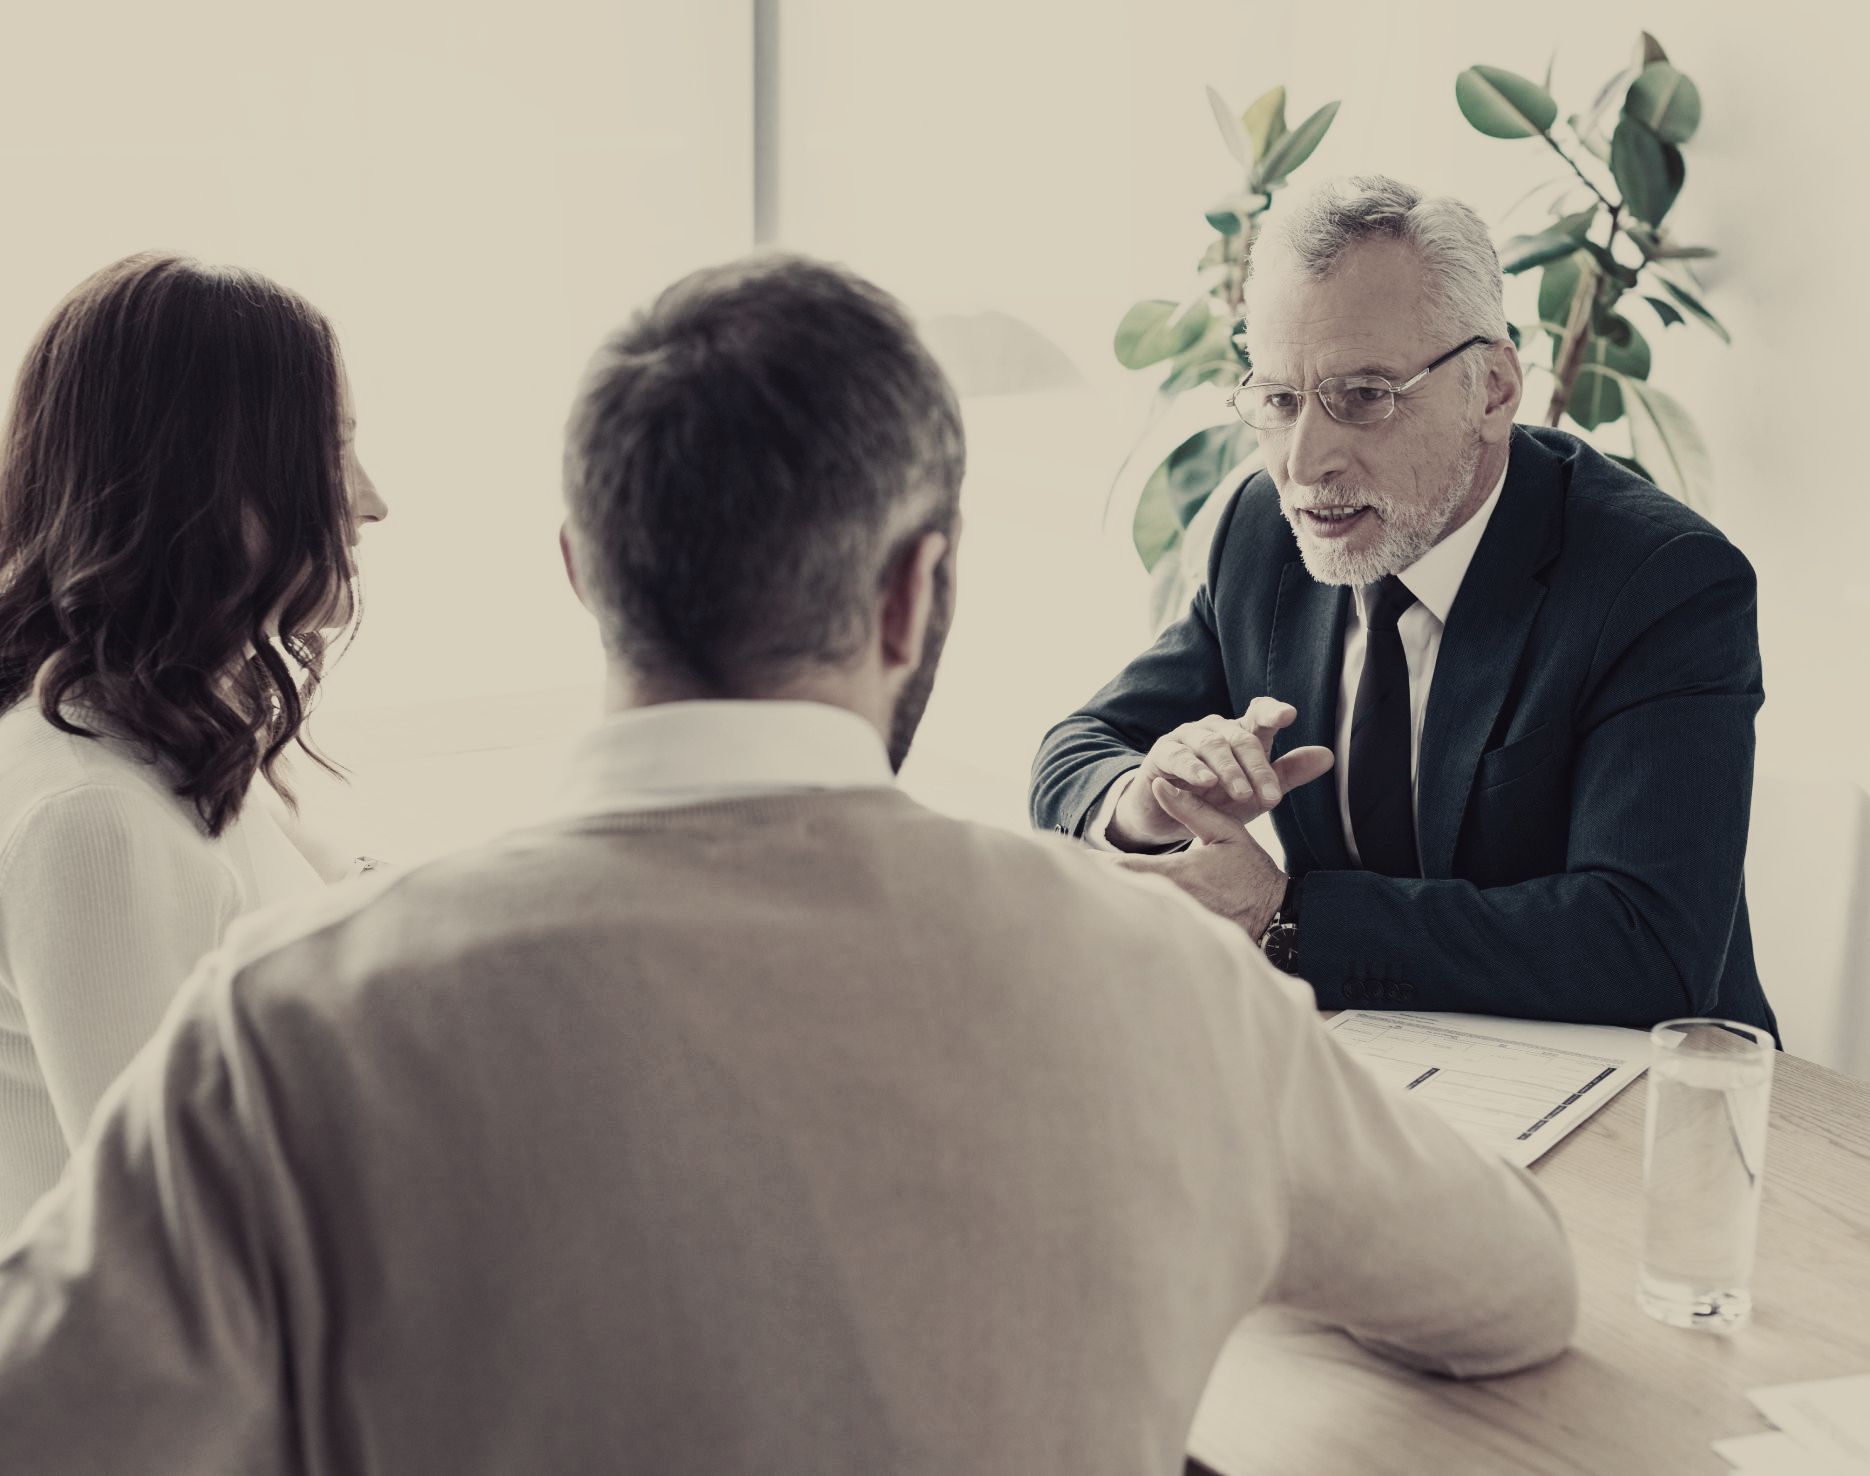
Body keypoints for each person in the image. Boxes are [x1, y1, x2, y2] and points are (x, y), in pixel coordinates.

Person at [0, 253, 1575, 1475]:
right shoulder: (1167, 982)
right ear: (913, 598)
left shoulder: (281, 1025)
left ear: (581, 573)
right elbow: (1516, 1290)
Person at [1032, 176, 1775, 1037]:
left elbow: (1645, 947)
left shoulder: (1663, 582)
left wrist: (1286, 914)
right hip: (1374, 1065)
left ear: (1492, 390)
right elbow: (1075, 755)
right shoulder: (1260, 531)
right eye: (1278, 400)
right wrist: (1149, 799)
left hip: (1633, 1093)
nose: (1305, 463)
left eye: (1363, 396)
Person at [0, 253, 388, 1233]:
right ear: (215, 486)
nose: (371, 500)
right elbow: (181, 1237)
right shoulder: (90, 815)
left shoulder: (168, 743)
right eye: (333, 451)